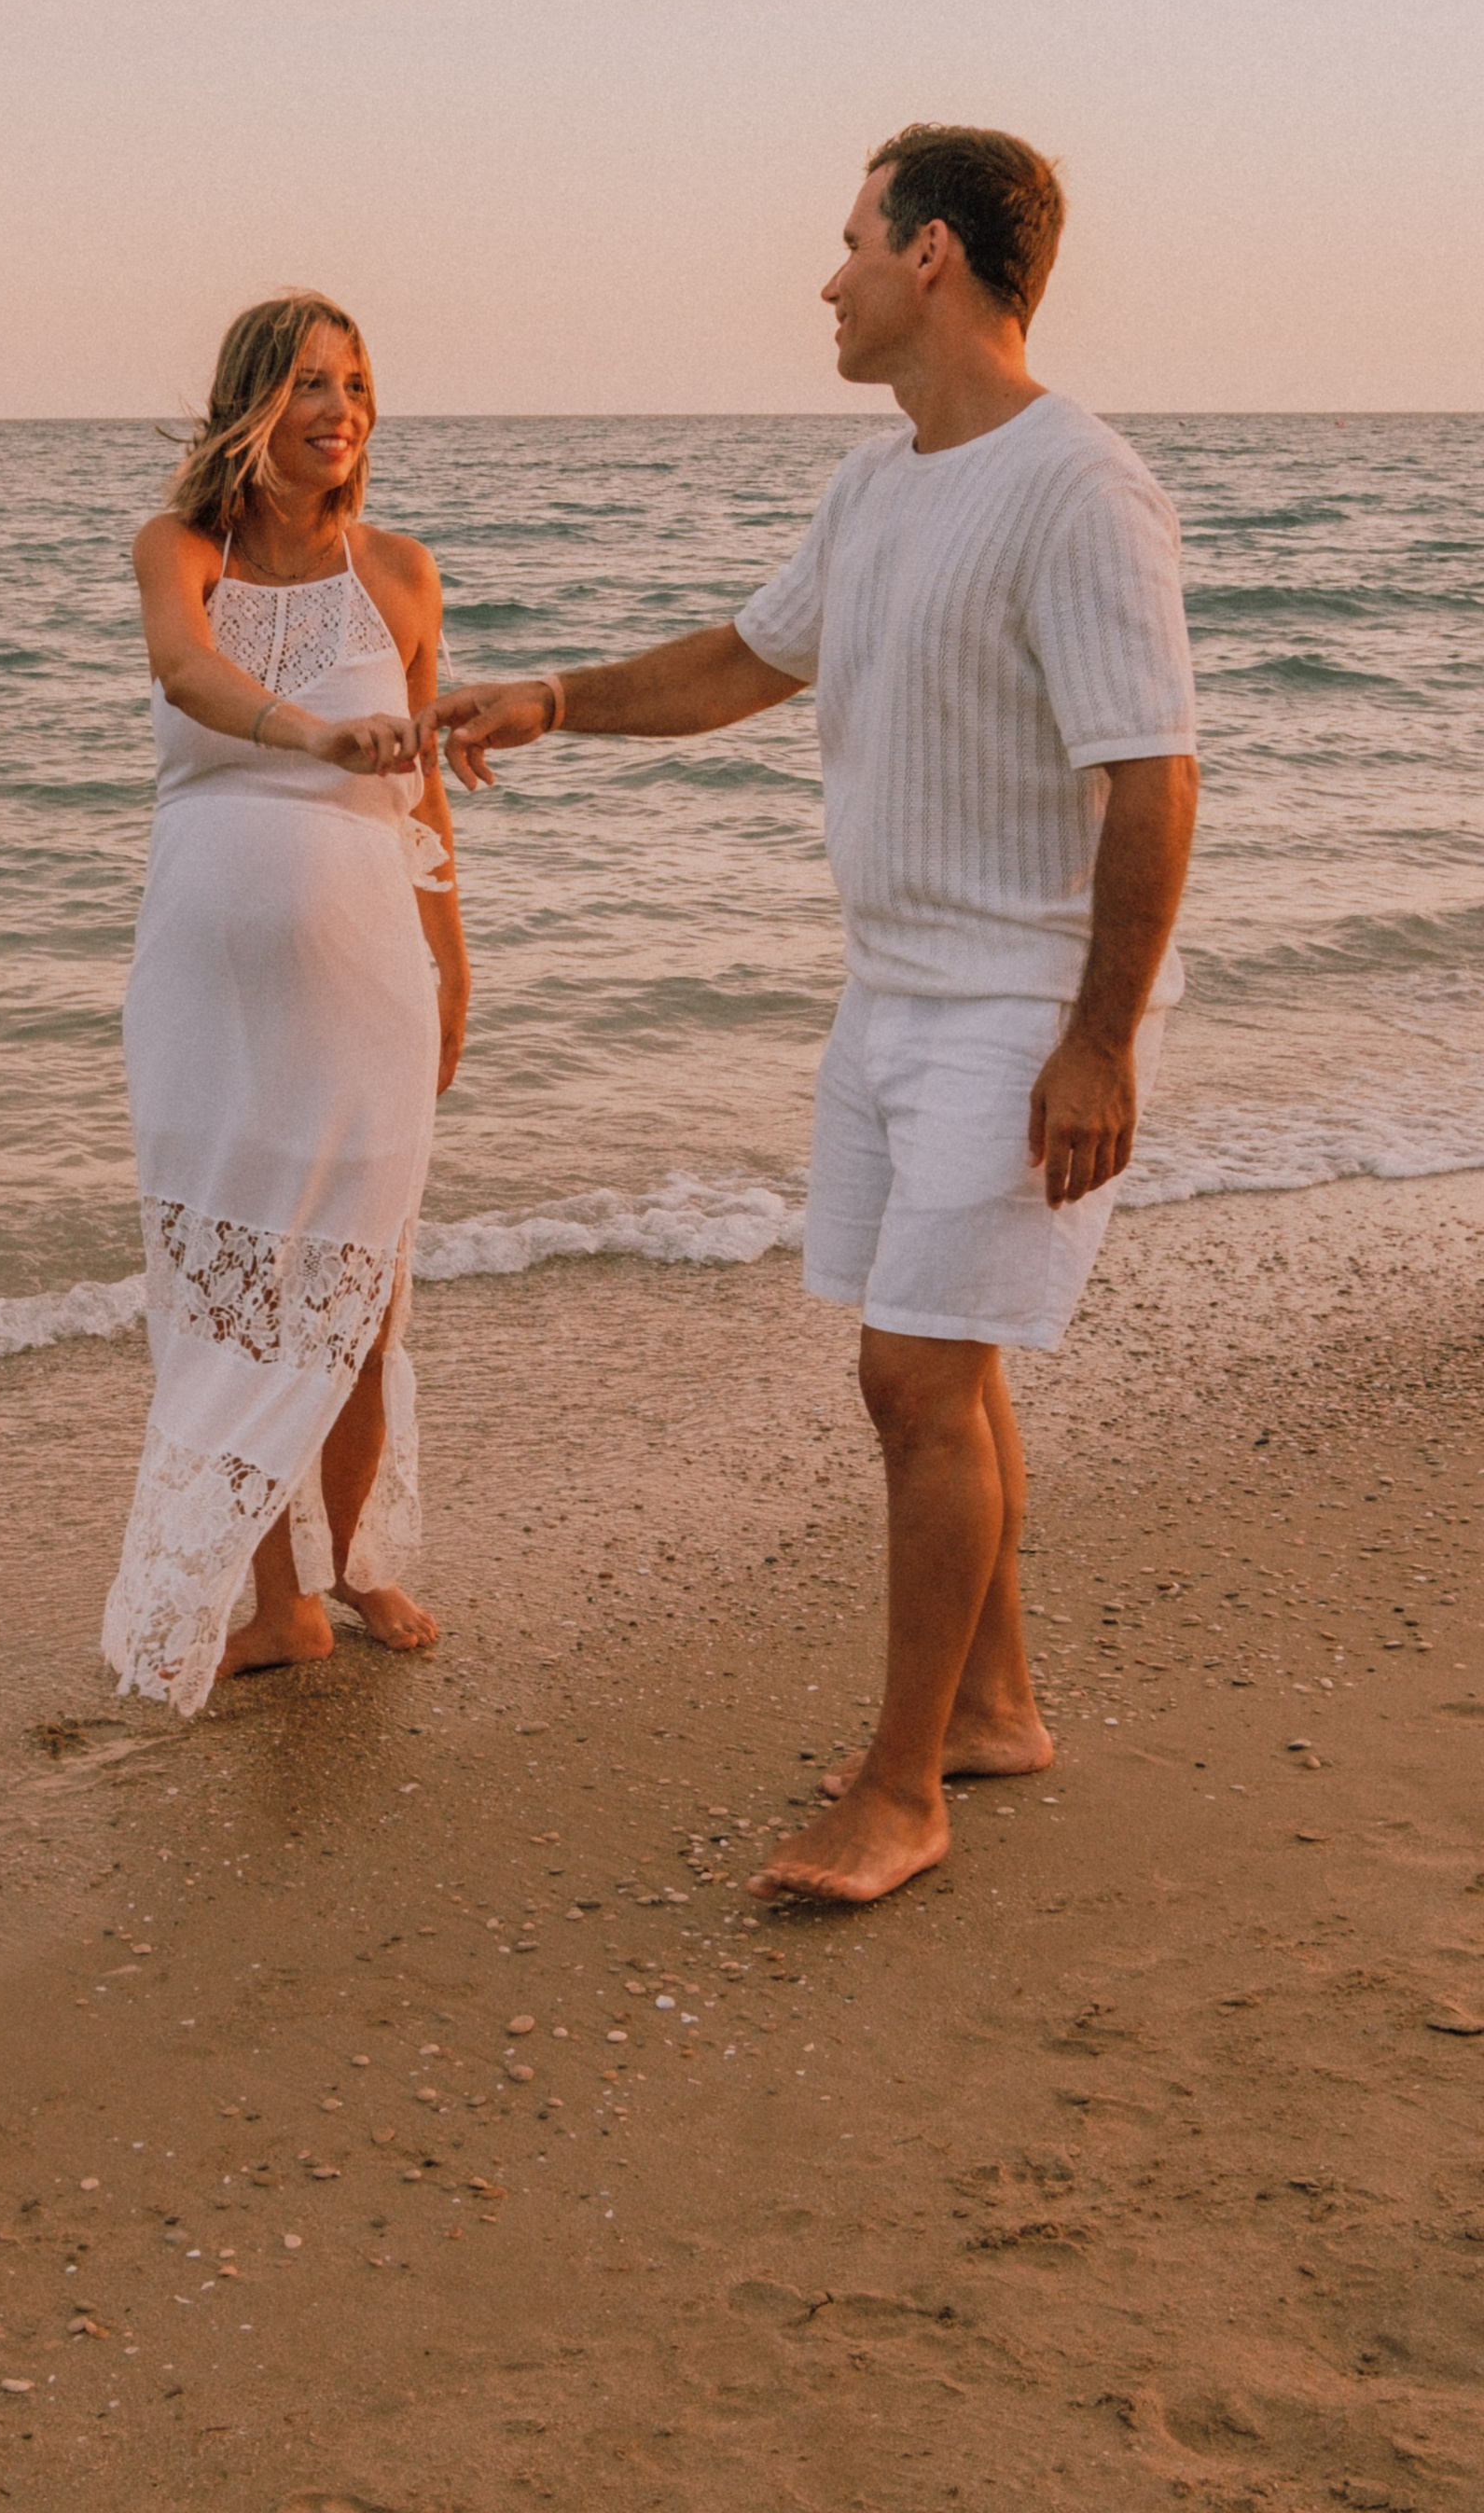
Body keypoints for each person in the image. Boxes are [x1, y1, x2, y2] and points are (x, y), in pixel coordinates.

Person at [429, 128, 1199, 1905]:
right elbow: (752, 660)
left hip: (1016, 1000)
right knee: (941, 1361)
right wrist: (550, 699)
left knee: (915, 1374)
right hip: (890, 995)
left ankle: (905, 1787)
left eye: (849, 241)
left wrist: (1103, 1040)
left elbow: (1153, 780)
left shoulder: (1082, 487)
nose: (827, 277)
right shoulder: (876, 486)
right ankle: (995, 1707)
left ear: (933, 254)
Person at [102, 291, 468, 1716]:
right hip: (204, 986)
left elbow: (428, 794)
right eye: (314, 382)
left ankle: (362, 1554)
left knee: (362, 1295)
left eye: (361, 383)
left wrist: (455, 966)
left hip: (370, 976)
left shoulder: (401, 575)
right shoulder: (181, 551)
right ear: (255, 398)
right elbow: (185, 672)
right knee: (233, 1290)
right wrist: (315, 730)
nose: (344, 409)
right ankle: (275, 1605)